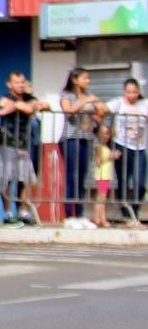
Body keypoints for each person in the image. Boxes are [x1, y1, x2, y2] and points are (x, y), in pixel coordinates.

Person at [0, 71, 45, 227]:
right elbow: (17, 107)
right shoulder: (4, 96)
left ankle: (23, 212)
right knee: (7, 180)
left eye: (22, 82)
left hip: (24, 144)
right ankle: (8, 213)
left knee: (27, 180)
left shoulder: (28, 98)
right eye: (17, 82)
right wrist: (20, 106)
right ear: (9, 84)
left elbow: (42, 105)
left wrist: (19, 106)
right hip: (7, 143)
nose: (20, 85)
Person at [58, 68, 102, 222]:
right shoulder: (67, 95)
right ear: (75, 80)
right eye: (85, 78)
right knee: (72, 176)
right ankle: (69, 215)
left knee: (82, 177)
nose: (87, 81)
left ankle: (80, 212)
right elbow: (68, 111)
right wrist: (84, 102)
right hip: (71, 138)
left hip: (86, 138)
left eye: (88, 78)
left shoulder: (88, 96)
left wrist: (98, 111)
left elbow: (99, 115)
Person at [106, 78, 148, 225]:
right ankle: (125, 214)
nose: (132, 95)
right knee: (123, 181)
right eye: (129, 92)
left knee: (140, 183)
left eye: (135, 92)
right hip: (121, 146)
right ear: (124, 91)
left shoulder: (144, 104)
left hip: (139, 148)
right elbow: (102, 109)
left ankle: (134, 212)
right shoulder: (118, 103)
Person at [92, 123, 118, 229]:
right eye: (102, 133)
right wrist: (111, 156)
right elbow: (98, 161)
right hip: (102, 176)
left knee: (101, 197)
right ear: (98, 134)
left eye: (107, 133)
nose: (105, 136)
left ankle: (99, 218)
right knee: (101, 198)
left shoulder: (106, 146)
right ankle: (101, 219)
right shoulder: (98, 146)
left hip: (105, 176)